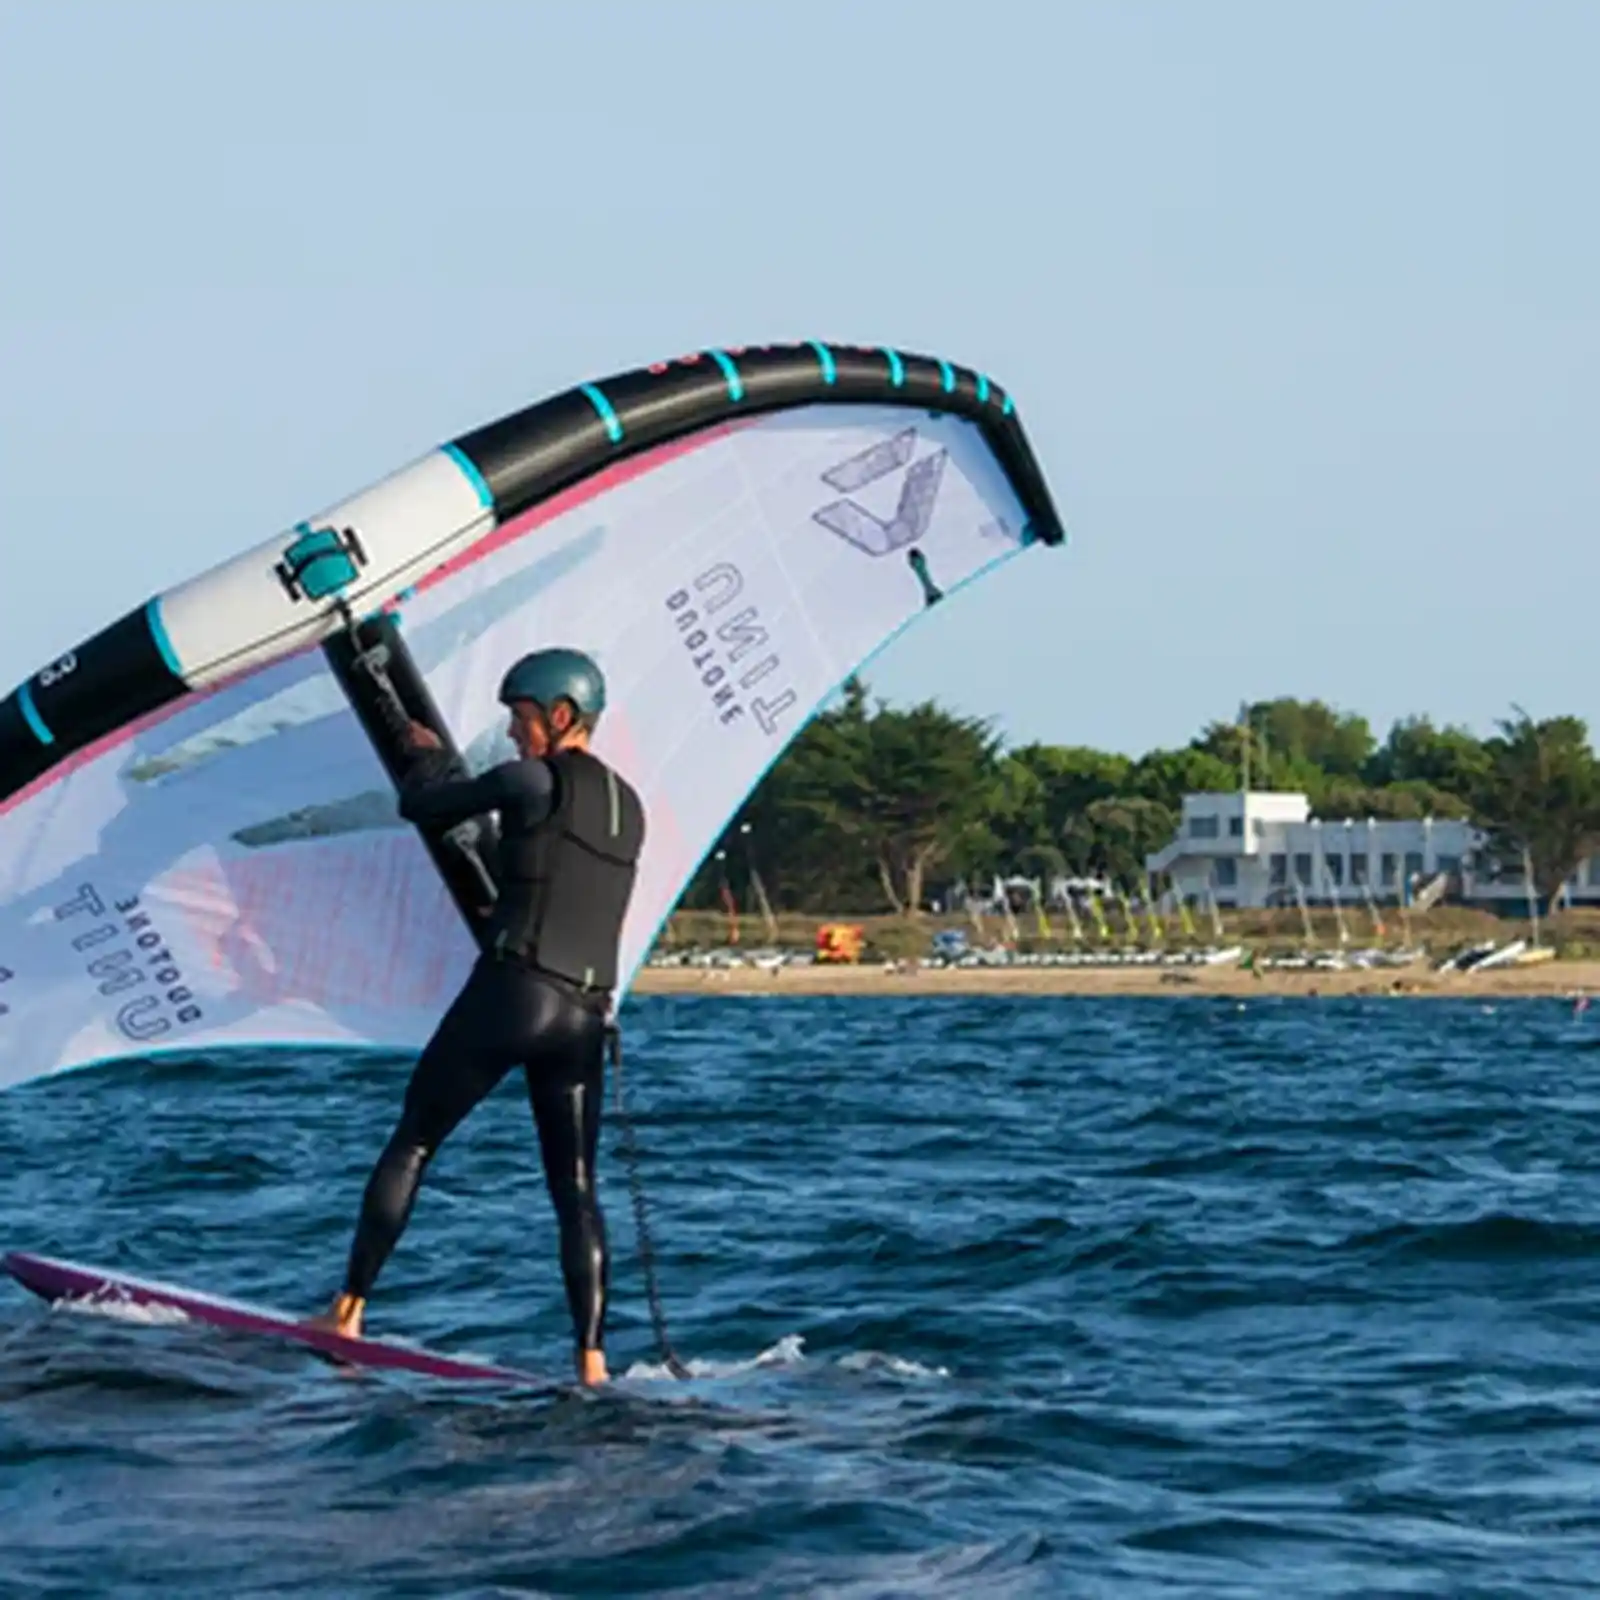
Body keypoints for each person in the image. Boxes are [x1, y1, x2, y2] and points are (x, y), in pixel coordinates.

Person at [307, 647, 646, 1387]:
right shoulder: (630, 808)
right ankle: (592, 1360)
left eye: (520, 717)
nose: (514, 732)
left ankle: (348, 1309)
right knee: (577, 1190)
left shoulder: (532, 778)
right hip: (587, 1018)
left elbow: (423, 807)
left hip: (515, 993)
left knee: (416, 1140)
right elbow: (555, 875)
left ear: (560, 716)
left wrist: (425, 758)